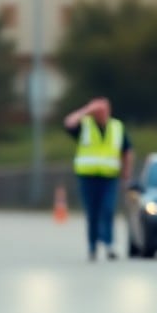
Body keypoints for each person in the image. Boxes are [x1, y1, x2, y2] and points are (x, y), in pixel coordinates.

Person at [63, 97, 133, 261]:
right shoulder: (85, 124)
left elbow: (127, 150)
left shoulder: (117, 126)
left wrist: (126, 171)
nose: (102, 113)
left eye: (104, 110)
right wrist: (87, 110)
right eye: (98, 111)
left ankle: (109, 244)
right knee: (92, 213)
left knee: (108, 210)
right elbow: (69, 122)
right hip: (87, 176)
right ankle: (92, 245)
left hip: (109, 176)